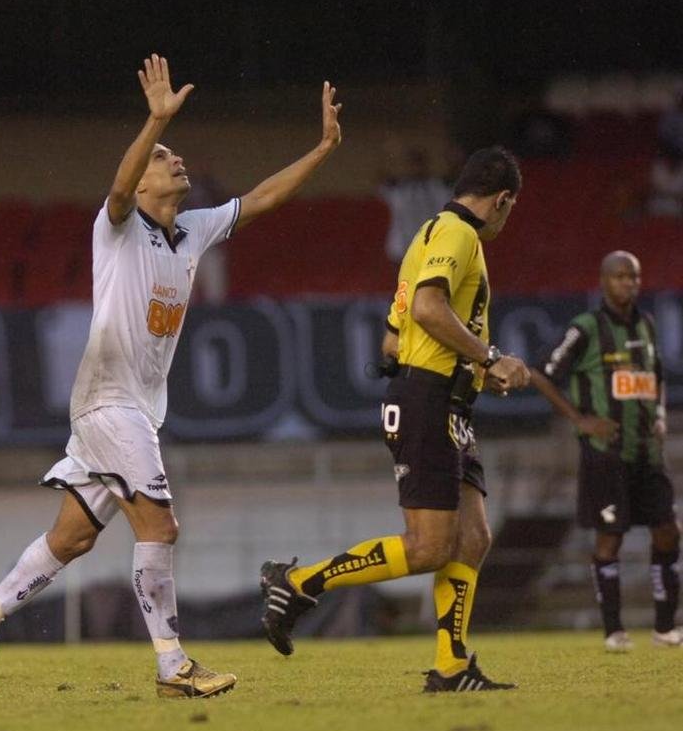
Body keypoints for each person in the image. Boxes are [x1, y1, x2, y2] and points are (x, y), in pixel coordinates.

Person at [0, 54, 342, 699]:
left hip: (134, 407)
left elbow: (263, 197)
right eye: (163, 156)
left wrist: (321, 149)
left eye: (173, 152)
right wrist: (151, 124)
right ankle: (172, 667)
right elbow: (121, 188)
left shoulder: (192, 230)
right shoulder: (118, 228)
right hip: (108, 402)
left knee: (70, 538)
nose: (174, 160)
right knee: (161, 528)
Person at [260, 146, 531, 692]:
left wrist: (464, 368)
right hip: (427, 401)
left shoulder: (427, 236)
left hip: (447, 404)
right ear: (502, 200)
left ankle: (451, 665)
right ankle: (300, 581)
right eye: (511, 208)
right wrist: (488, 357)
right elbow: (429, 309)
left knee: (472, 536)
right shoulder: (459, 235)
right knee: (429, 546)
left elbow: (394, 331)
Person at [529, 251, 680, 652]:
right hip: (606, 455)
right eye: (621, 276)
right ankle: (614, 631)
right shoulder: (586, 328)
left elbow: (658, 375)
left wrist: (660, 414)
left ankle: (665, 628)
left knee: (668, 531)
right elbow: (541, 374)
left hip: (648, 451)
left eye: (635, 276)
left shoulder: (646, 324)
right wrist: (580, 421)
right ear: (603, 281)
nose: (629, 283)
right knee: (609, 539)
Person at [379, 146, 452, 263]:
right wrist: (389, 156)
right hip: (402, 249)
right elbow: (382, 179)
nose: (416, 169)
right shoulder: (398, 189)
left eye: (419, 164)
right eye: (412, 165)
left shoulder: (437, 187)